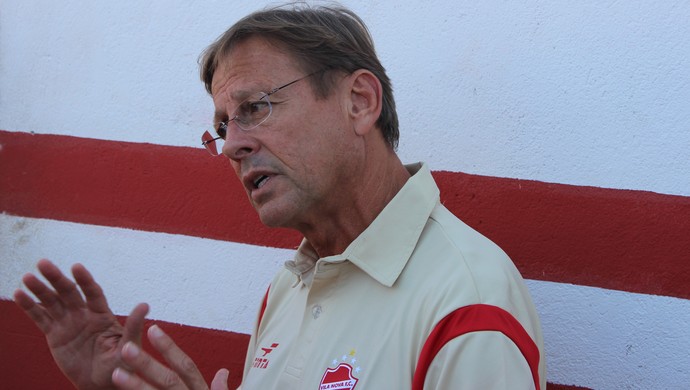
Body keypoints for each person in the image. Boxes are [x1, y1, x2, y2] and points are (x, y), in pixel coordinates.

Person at [14, 3, 546, 389]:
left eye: (255, 107)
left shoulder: (467, 303)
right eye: (224, 125)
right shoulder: (289, 288)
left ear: (359, 102)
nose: (233, 146)